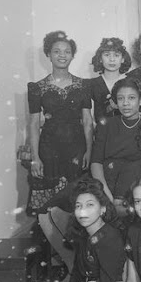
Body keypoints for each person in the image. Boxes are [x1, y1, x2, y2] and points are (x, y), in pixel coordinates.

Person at [27, 30, 93, 215]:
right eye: (57, 51)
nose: (62, 55)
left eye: (67, 51)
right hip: (49, 149)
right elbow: (34, 124)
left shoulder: (83, 85)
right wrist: (35, 158)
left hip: (77, 148)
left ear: (72, 55)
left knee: (76, 200)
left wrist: (89, 150)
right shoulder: (37, 88)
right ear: (48, 54)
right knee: (48, 207)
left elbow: (87, 121)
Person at [89, 77, 141, 209]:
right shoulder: (106, 125)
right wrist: (106, 196)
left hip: (133, 183)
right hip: (104, 181)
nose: (125, 103)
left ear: (140, 101)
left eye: (131, 98)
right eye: (121, 98)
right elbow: (96, 162)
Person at [88, 37, 132, 124]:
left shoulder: (130, 82)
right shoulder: (91, 84)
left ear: (123, 59)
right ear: (100, 59)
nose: (112, 59)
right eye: (107, 55)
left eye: (116, 55)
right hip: (101, 131)